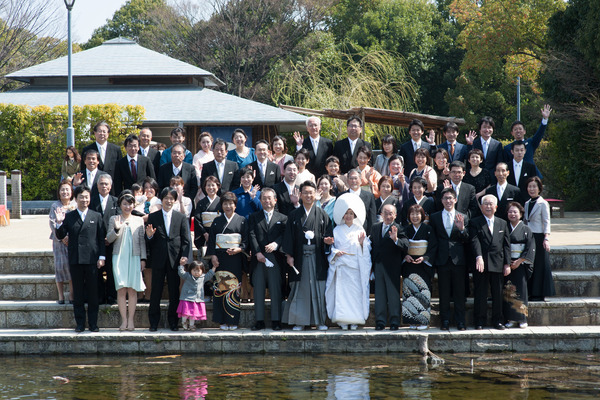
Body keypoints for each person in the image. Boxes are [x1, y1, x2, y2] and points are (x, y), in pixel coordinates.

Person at [282, 181, 334, 331]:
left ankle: (319, 321)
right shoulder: (293, 215)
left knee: (318, 288)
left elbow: (328, 234)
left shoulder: (322, 214)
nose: (308, 195)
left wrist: (328, 241)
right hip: (299, 257)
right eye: (305, 192)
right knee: (300, 289)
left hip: (317, 257)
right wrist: (289, 255)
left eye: (311, 192)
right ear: (300, 195)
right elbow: (289, 237)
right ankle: (300, 321)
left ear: (316, 194)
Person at [54, 185, 106, 333]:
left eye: (87, 197)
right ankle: (80, 324)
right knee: (77, 293)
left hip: (92, 260)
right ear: (75, 199)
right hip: (76, 259)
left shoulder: (96, 216)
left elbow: (101, 239)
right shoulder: (69, 216)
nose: (84, 199)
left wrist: (101, 256)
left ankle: (93, 324)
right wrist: (59, 223)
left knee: (93, 293)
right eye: (81, 197)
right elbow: (60, 235)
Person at [146, 187, 191, 331]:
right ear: (162, 199)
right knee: (155, 292)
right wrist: (149, 236)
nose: (169, 201)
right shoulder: (153, 217)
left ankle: (173, 322)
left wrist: (185, 256)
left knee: (174, 292)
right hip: (158, 259)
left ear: (175, 200)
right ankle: (153, 322)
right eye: (166, 198)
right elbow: (149, 242)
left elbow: (186, 240)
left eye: (172, 198)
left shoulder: (181, 217)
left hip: (175, 259)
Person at [326, 193, 372, 330]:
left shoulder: (360, 230)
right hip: (342, 267)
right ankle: (342, 320)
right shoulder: (336, 230)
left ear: (355, 215)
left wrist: (362, 244)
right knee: (342, 295)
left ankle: (355, 320)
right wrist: (335, 253)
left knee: (355, 295)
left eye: (351, 213)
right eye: (346, 213)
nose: (348, 216)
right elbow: (332, 248)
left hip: (355, 267)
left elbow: (367, 249)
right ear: (342, 215)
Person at [206, 191, 249, 330]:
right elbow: (212, 241)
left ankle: (233, 320)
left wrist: (240, 249)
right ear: (222, 205)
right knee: (220, 289)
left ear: (235, 205)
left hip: (235, 258)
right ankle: (222, 321)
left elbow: (246, 240)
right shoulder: (217, 221)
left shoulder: (242, 220)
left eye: (231, 203)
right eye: (225, 203)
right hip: (220, 259)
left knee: (233, 288)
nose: (228, 206)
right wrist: (213, 256)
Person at [429, 187, 469, 331]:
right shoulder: (435, 217)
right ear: (442, 200)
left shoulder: (462, 216)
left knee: (459, 292)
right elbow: (433, 240)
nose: (448, 201)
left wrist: (462, 229)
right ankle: (444, 320)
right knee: (443, 292)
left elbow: (467, 239)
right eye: (445, 198)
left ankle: (460, 321)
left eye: (450, 198)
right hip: (442, 258)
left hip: (458, 259)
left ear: (455, 200)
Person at [106, 192, 146, 331]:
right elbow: (109, 239)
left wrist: (143, 258)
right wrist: (117, 228)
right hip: (119, 256)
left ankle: (131, 320)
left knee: (132, 289)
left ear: (133, 205)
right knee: (121, 289)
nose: (127, 206)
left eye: (130, 204)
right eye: (124, 204)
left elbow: (142, 241)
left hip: (134, 256)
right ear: (120, 205)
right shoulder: (114, 219)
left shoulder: (139, 220)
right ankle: (123, 320)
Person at [470, 194, 511, 330]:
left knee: (498, 294)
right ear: (481, 207)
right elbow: (474, 241)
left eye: (491, 204)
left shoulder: (502, 223)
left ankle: (498, 320)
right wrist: (478, 257)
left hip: (498, 263)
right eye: (485, 204)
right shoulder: (475, 222)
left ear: (496, 207)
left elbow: (506, 245)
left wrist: (507, 263)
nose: (488, 206)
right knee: (480, 293)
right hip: (480, 263)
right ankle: (479, 321)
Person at [248, 188, 287, 331]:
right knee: (258, 290)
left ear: (275, 200)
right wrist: (257, 252)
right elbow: (251, 234)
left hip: (275, 258)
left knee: (275, 289)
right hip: (259, 258)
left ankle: (276, 320)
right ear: (260, 200)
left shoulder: (282, 218)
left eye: (269, 198)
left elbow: (284, 234)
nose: (267, 201)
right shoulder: (254, 217)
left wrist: (276, 244)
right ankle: (259, 321)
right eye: (264, 198)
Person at [371, 204, 409, 330]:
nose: (388, 216)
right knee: (379, 294)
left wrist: (396, 239)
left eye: (391, 213)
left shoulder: (399, 228)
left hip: (392, 266)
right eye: (385, 213)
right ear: (381, 214)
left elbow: (405, 245)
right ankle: (380, 321)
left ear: (395, 215)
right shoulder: (375, 227)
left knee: (393, 295)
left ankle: (394, 321)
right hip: (378, 264)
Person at [402, 204, 437, 330]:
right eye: (412, 214)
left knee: (423, 293)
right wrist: (405, 255)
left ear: (422, 215)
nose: (415, 217)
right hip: (409, 264)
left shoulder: (428, 229)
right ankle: (411, 320)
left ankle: (423, 321)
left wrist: (425, 258)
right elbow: (401, 246)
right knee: (409, 293)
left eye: (417, 214)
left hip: (423, 266)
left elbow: (433, 247)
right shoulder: (405, 230)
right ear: (409, 216)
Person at [89, 174, 120, 305]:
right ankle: (100, 296)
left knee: (112, 269)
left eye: (106, 184)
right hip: (96, 242)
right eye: (101, 184)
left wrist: (110, 236)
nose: (104, 186)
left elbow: (119, 220)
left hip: (112, 241)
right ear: (97, 186)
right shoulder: (91, 201)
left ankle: (112, 295)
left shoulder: (116, 201)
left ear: (110, 186)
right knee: (98, 271)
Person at [504, 202, 535, 329]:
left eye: (515, 212)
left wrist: (520, 260)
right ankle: (510, 318)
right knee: (508, 291)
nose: (512, 214)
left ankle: (522, 318)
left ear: (521, 214)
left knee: (521, 292)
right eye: (510, 212)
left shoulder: (526, 229)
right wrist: (507, 262)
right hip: (508, 264)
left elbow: (530, 248)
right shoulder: (504, 228)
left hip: (520, 265)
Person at [524, 177, 555, 301]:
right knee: (531, 264)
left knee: (540, 265)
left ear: (539, 188)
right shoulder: (526, 203)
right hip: (529, 237)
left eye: (534, 186)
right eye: (529, 186)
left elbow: (546, 221)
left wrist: (546, 238)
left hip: (539, 236)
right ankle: (531, 291)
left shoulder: (543, 203)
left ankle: (540, 293)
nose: (532, 189)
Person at [503, 104, 552, 177]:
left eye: (520, 129)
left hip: (532, 176)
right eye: (515, 129)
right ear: (512, 133)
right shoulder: (507, 148)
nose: (518, 131)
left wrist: (545, 119)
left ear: (524, 131)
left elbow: (539, 134)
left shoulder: (530, 142)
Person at [49, 180, 76, 304]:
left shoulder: (75, 204)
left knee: (71, 268)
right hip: (58, 241)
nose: (65, 192)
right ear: (59, 192)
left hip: (73, 241)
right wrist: (62, 237)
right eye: (62, 190)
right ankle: (60, 296)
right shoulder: (55, 206)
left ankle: (71, 295)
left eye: (67, 189)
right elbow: (52, 222)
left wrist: (70, 237)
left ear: (71, 192)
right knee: (59, 268)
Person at [177, 260, 216, 331]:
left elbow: (210, 274)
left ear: (202, 271)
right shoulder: (188, 276)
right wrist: (181, 265)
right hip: (186, 297)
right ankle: (184, 322)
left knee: (193, 313)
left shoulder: (203, 277)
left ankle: (192, 325)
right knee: (185, 312)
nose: (196, 272)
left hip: (197, 298)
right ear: (190, 270)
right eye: (194, 270)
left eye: (198, 271)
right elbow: (181, 273)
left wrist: (214, 267)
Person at [340, 169, 377, 233]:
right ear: (347, 180)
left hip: (363, 232)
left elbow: (372, 218)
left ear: (360, 180)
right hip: (345, 232)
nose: (353, 181)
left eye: (355, 178)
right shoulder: (341, 196)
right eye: (351, 178)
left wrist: (370, 235)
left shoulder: (369, 196)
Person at [193, 176, 221, 251]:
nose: (210, 187)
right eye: (208, 185)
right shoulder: (201, 203)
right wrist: (205, 233)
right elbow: (197, 219)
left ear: (218, 187)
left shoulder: (221, 202)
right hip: (204, 234)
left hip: (218, 234)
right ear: (204, 187)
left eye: (213, 185)